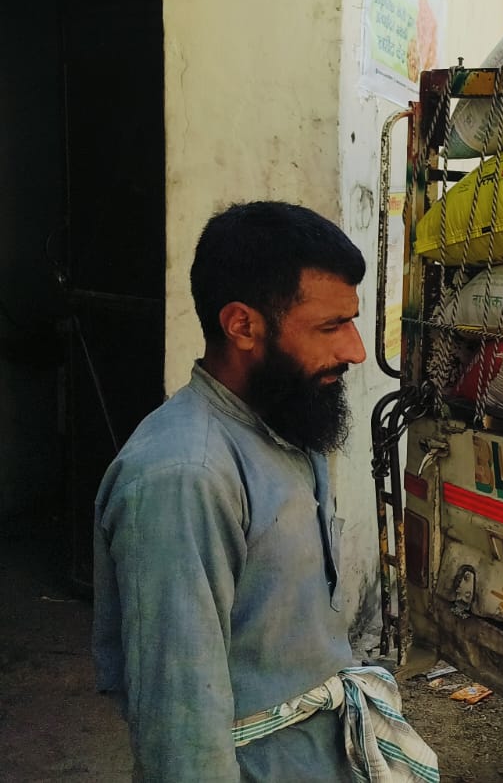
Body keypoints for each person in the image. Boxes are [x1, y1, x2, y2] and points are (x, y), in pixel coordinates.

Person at [92, 202, 436, 781]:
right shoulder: (184, 477)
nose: (355, 350)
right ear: (242, 325)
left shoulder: (288, 422)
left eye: (351, 322)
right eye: (331, 327)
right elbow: (180, 730)